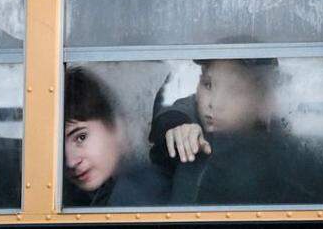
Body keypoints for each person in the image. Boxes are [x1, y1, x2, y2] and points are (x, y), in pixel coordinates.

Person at [63, 67, 169, 208]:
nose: (71, 162)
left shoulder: (141, 194)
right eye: (59, 148)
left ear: (116, 127)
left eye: (81, 137)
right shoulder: (80, 198)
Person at [148, 57, 277, 170]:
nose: (215, 103)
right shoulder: (190, 118)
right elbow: (177, 112)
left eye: (233, 90)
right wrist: (179, 129)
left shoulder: (280, 151)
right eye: (208, 85)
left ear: (261, 98)